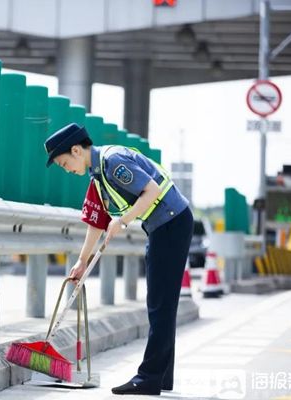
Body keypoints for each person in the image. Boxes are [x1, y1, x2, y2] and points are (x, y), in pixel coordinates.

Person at [44, 123, 193, 396]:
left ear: (77, 150)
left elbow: (152, 191)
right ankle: (161, 377)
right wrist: (82, 261)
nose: (67, 169)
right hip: (163, 227)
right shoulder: (97, 177)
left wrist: (123, 221)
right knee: (161, 304)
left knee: (160, 304)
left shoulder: (113, 162)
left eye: (65, 163)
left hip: (172, 224)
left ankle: (149, 377)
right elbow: (96, 223)